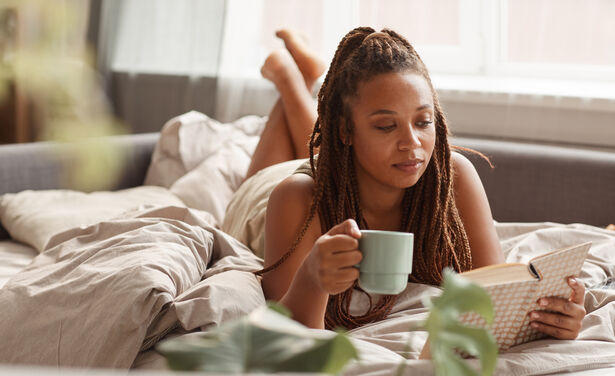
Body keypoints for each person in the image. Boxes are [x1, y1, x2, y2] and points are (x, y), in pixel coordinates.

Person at [245, 27, 586, 339]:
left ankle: (299, 74)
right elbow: (284, 333)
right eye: (386, 126)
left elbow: (494, 295)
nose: (412, 143)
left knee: (337, 146)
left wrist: (557, 317)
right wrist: (311, 280)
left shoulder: (453, 176)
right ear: (345, 131)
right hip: (264, 195)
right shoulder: (295, 199)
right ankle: (290, 77)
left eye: (423, 122)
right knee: (279, 164)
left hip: (346, 158)